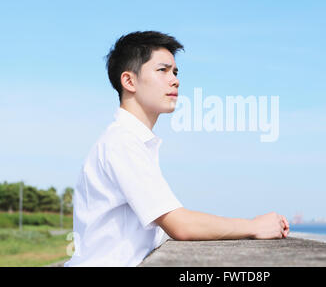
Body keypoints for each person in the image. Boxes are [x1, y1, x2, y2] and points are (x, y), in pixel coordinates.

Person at [64, 31, 289, 267]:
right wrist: (254, 226)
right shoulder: (122, 142)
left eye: (175, 72)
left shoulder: (131, 141)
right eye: (162, 70)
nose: (175, 80)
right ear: (129, 81)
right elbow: (180, 225)